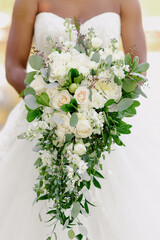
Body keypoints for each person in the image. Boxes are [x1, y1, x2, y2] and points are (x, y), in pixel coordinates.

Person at [0, 0, 160, 239]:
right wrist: (52, 104)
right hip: (42, 122)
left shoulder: (126, 2)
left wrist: (98, 108)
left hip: (105, 123)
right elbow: (14, 67)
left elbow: (137, 72)